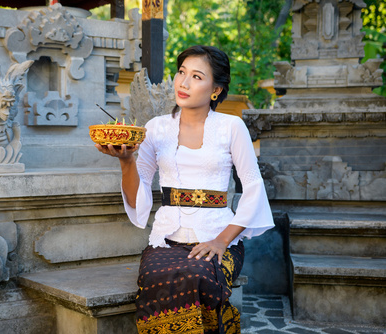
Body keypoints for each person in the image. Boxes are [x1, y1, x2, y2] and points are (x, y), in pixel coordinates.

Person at [95, 45, 274, 334]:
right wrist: (126, 160)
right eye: (181, 72)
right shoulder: (155, 129)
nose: (184, 82)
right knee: (155, 274)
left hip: (218, 236)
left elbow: (254, 188)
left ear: (215, 90)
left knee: (198, 273)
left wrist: (220, 242)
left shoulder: (231, 127)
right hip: (167, 239)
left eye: (196, 76)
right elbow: (135, 194)